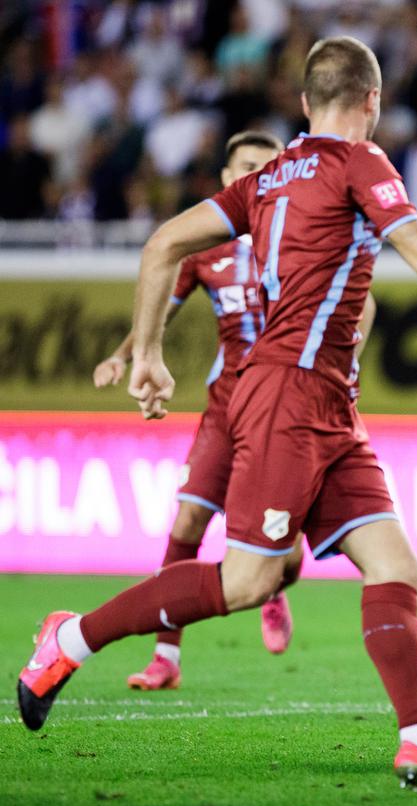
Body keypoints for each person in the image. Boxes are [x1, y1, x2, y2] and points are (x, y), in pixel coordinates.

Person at [18, 36, 417, 800]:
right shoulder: (360, 161)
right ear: (373, 100)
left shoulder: (267, 177)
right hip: (288, 394)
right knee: (252, 577)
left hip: (327, 402)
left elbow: (162, 242)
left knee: (394, 564)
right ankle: (72, 636)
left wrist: (148, 351)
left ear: (306, 101)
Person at [93, 129, 305, 691]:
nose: (254, 176)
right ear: (227, 178)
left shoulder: (301, 236)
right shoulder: (206, 248)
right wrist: (125, 355)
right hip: (227, 407)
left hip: (285, 411)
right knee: (188, 520)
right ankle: (166, 656)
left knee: (283, 555)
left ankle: (275, 587)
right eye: (245, 167)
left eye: (266, 167)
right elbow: (159, 311)